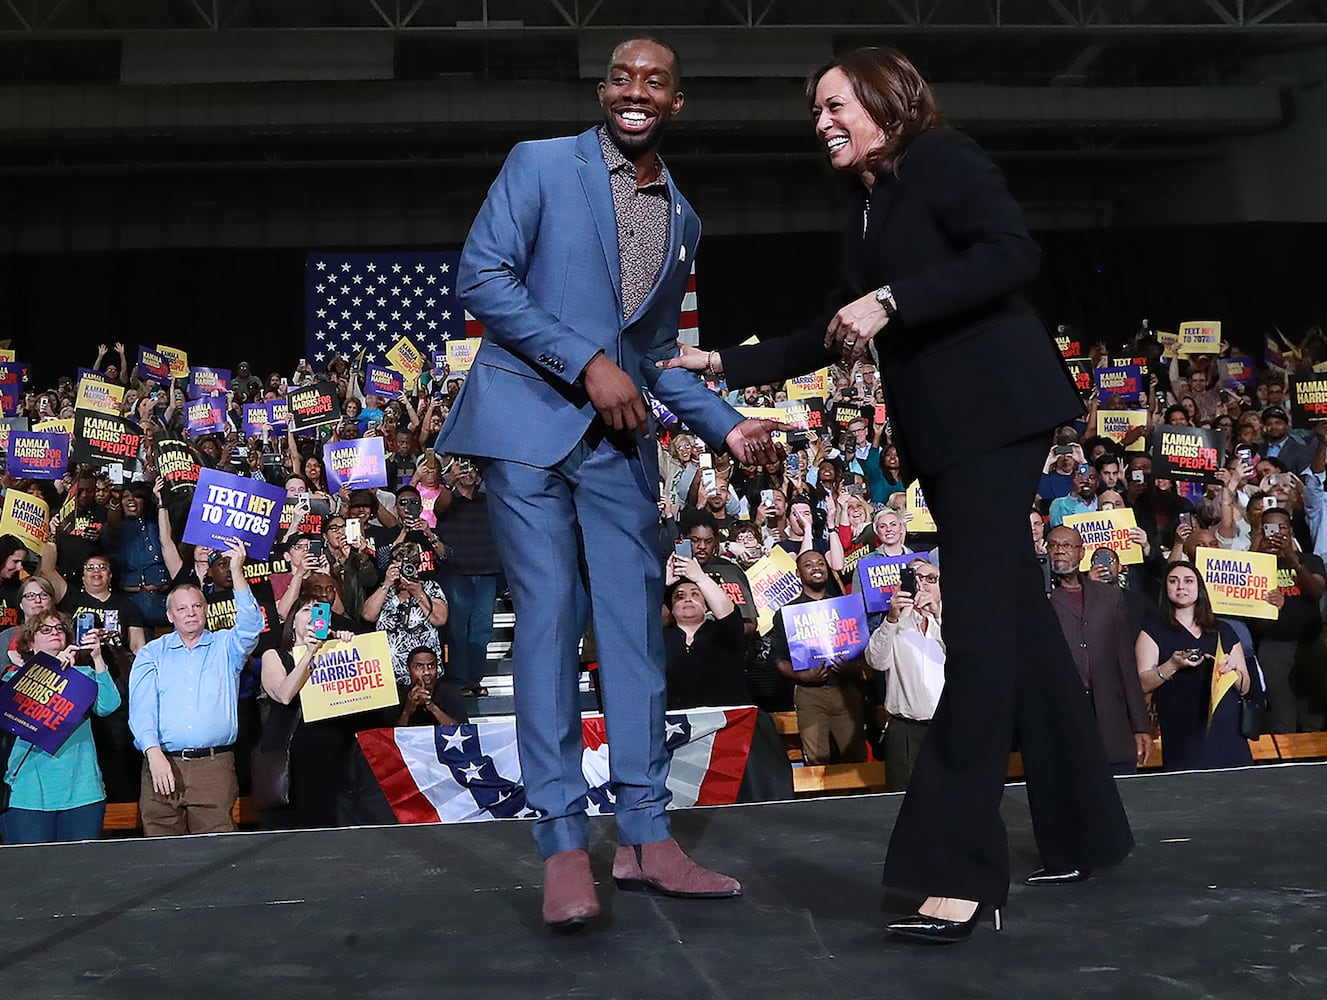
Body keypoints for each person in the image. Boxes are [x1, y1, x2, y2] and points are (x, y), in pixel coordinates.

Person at [658, 46, 1132, 941]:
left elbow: (1010, 252)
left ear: (889, 103)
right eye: (814, 114)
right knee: (1019, 627)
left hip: (995, 415)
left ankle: (959, 871)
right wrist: (726, 363)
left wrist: (896, 301)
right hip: (948, 436)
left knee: (982, 642)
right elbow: (828, 327)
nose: (822, 123)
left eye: (836, 106)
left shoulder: (944, 161)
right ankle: (1084, 831)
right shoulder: (866, 209)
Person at [434, 36, 781, 930]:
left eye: (654, 82)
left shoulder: (682, 218)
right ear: (602, 91)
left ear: (676, 102)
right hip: (524, 430)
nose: (636, 92)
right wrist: (586, 360)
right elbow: (482, 275)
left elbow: (655, 358)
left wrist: (726, 423)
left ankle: (644, 838)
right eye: (622, 78)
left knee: (632, 631)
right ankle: (560, 844)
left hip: (618, 447)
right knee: (548, 624)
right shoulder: (539, 163)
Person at [127, 539, 263, 836]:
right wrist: (153, 754)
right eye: (182, 608)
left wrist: (237, 572)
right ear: (170, 616)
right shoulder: (152, 653)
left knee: (217, 858)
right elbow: (142, 710)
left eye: (197, 606)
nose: (190, 612)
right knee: (163, 857)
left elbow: (252, 627)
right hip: (161, 764)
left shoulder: (226, 646)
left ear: (205, 610)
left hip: (213, 767)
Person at [1, 611, 121, 844]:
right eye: (45, 629)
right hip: (28, 794)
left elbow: (109, 705)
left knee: (79, 872)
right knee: (31, 872)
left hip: (82, 792)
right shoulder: (12, 679)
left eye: (59, 629)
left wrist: (97, 658)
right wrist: (54, 669)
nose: (54, 633)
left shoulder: (84, 676)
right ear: (30, 643)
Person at [1045, 527, 1152, 773]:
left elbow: (1125, 662)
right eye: (1053, 545)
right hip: (1062, 719)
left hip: (1110, 719)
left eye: (1068, 545)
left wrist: (1140, 725)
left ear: (1082, 553)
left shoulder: (1110, 597)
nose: (1060, 549)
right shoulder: (1038, 597)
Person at [1135, 562, 1257, 771]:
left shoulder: (1223, 630)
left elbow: (1245, 685)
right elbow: (1142, 684)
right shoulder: (1152, 631)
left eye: (1188, 581)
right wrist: (1172, 664)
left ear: (1199, 588)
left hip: (1226, 728)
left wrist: (1231, 671)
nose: (1181, 586)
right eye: (1174, 581)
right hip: (1182, 731)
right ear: (1166, 589)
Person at [257, 597, 360, 831]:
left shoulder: (334, 653)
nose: (313, 614)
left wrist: (350, 649)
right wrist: (308, 654)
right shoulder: (274, 656)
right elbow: (284, 694)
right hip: (290, 763)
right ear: (292, 623)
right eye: (305, 609)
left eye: (318, 610)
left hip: (331, 757)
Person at [769, 550, 868, 765]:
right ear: (798, 572)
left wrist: (856, 669)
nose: (816, 567)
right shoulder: (786, 613)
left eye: (820, 563)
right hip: (809, 695)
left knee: (856, 761)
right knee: (816, 762)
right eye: (809, 564)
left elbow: (866, 652)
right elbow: (778, 660)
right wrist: (803, 676)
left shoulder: (846, 607)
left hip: (846, 691)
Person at [864, 557, 944, 791]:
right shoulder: (894, 623)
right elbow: (876, 661)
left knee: (952, 797)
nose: (922, 584)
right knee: (903, 799)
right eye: (915, 577)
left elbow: (969, 660)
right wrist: (891, 619)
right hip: (906, 730)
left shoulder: (952, 623)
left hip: (948, 725)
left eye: (931, 578)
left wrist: (939, 616)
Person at [661, 553, 749, 710]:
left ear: (706, 605)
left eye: (695, 594)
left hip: (724, 724)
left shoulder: (723, 634)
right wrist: (662, 585)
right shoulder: (659, 639)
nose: (688, 599)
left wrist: (700, 578)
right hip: (676, 725)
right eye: (679, 596)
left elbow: (729, 614)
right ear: (672, 609)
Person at [396, 646, 469, 727]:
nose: (426, 672)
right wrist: (407, 712)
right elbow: (390, 737)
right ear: (408, 670)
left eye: (431, 666)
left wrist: (431, 706)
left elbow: (461, 731)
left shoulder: (450, 692)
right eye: (419, 666)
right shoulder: (399, 695)